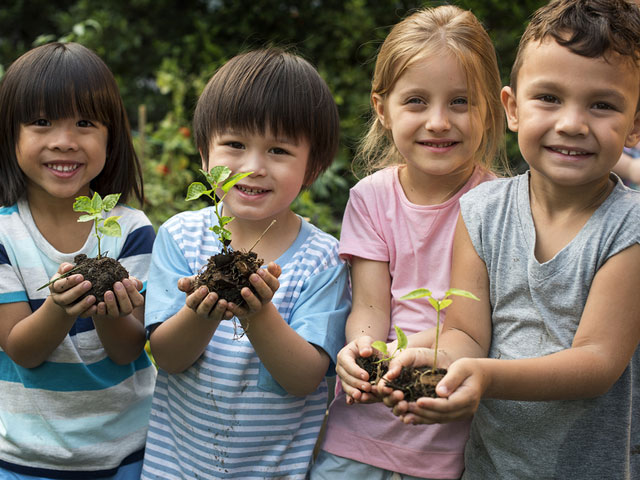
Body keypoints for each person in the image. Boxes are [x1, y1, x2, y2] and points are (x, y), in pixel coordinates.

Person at [382, 0, 640, 478]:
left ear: (636, 123)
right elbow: (466, 333)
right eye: (549, 98)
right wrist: (419, 359)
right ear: (513, 108)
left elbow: (597, 362)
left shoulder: (630, 227)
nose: (572, 123)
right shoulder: (481, 211)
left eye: (602, 105)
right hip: (492, 467)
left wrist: (484, 377)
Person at [310, 5, 507, 480]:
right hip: (360, 431)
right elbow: (371, 304)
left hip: (443, 435)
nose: (438, 121)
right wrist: (361, 350)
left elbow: (469, 332)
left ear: (490, 108)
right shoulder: (371, 197)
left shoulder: (498, 204)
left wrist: (401, 357)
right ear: (383, 108)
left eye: (460, 102)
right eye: (416, 101)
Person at [140, 48, 350, 479]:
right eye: (235, 145)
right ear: (204, 155)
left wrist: (259, 313)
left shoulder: (323, 260)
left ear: (313, 167)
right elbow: (168, 356)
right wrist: (202, 311)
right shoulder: (180, 237)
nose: (253, 168)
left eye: (278, 150)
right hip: (176, 470)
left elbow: (304, 378)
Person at [0, 42, 156, 479]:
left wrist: (107, 308)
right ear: (10, 134)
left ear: (111, 135)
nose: (64, 142)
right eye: (42, 122)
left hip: (125, 455)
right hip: (23, 459)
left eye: (85, 123)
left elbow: (126, 348)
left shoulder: (132, 230)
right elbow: (21, 349)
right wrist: (61, 305)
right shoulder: (3, 235)